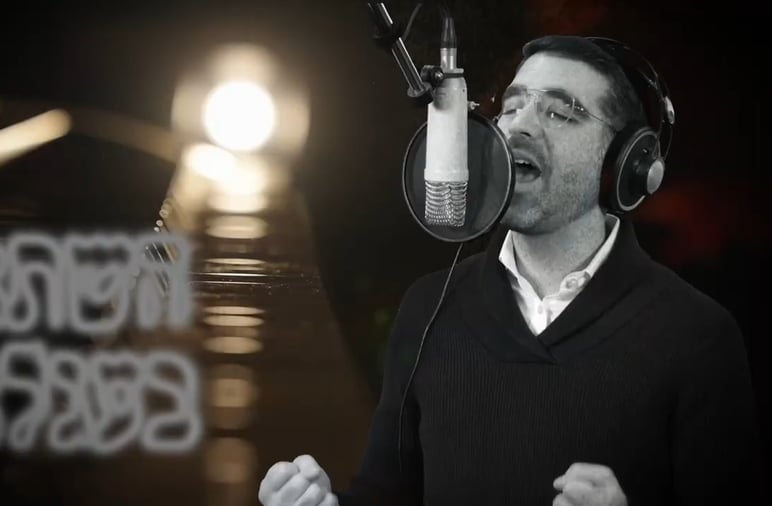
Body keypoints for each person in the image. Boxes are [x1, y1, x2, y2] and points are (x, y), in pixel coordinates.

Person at [258, 35, 765, 506]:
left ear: (624, 163)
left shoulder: (698, 336)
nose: (519, 126)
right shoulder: (428, 307)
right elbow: (387, 495)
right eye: (512, 106)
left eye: (560, 113)